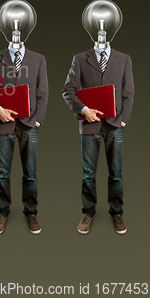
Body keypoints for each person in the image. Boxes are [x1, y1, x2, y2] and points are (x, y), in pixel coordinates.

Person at [62, 40, 133, 235]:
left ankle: (117, 212)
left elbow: (128, 93)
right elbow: (68, 90)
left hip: (115, 124)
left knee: (116, 173)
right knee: (88, 174)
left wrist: (123, 120)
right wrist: (84, 110)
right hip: (88, 125)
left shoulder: (124, 59)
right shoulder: (79, 59)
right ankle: (88, 212)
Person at [0, 46, 48, 235]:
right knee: (3, 173)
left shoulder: (38, 58)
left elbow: (42, 92)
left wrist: (37, 120)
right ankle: (2, 212)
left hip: (29, 125)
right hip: (4, 124)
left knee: (30, 172)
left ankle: (31, 212)